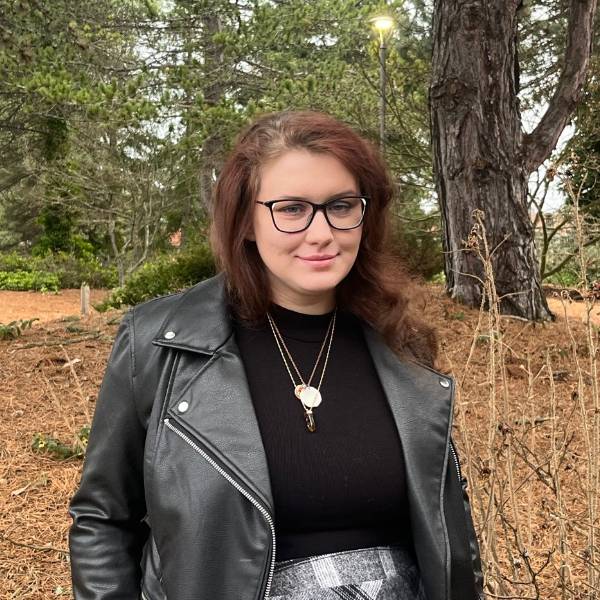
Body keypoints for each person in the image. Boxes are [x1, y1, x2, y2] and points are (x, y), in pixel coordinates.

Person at [68, 110, 484, 600]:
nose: (321, 232)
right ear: (245, 220)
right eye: (291, 209)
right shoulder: (159, 344)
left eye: (341, 205)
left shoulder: (398, 342)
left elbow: (447, 525)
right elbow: (102, 518)